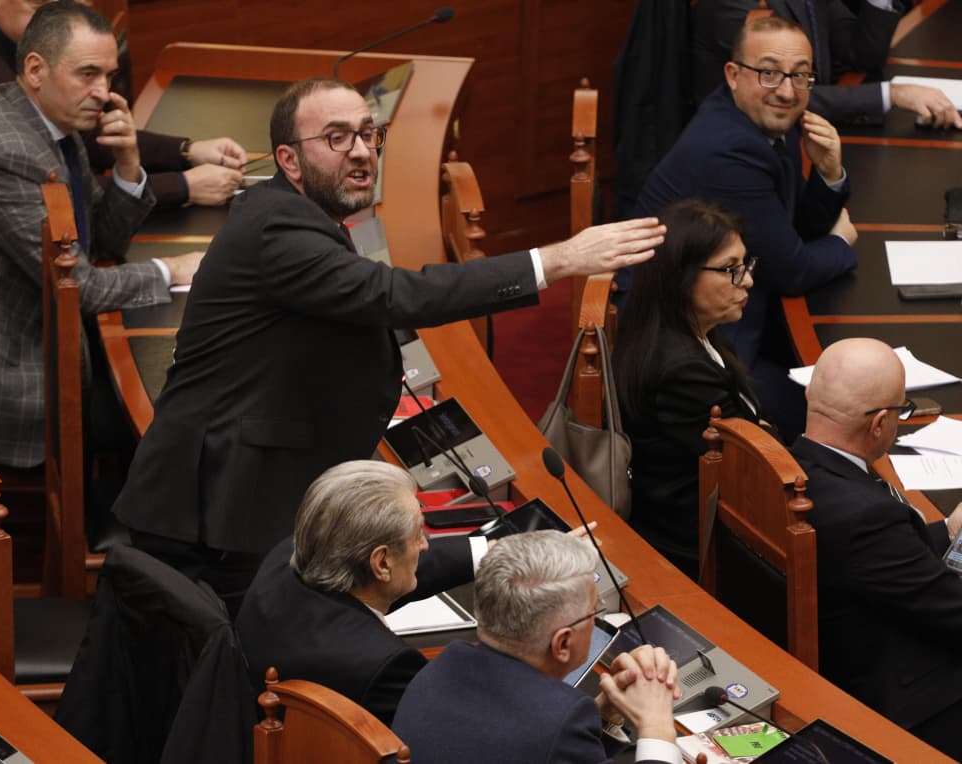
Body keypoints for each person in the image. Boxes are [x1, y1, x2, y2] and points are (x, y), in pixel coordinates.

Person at [111, 76, 666, 592]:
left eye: (367, 133)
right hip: (215, 510)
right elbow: (393, 295)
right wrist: (557, 259)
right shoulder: (278, 227)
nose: (360, 151)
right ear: (289, 159)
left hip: (238, 491)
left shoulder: (294, 213)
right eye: (336, 138)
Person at [0, 0, 201, 468]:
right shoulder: (7, 153)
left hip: (36, 332)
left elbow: (99, 241)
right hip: (1, 380)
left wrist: (128, 163)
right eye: (87, 74)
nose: (104, 93)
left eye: (109, 76)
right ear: (36, 70)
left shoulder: (49, 123)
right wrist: (170, 270)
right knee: (170, 417)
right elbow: (81, 287)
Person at [635, 14, 857, 441]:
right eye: (769, 73)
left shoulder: (759, 118)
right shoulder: (731, 151)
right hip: (691, 346)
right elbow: (792, 270)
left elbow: (791, 230)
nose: (787, 91)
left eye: (800, 76)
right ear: (733, 75)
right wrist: (840, 242)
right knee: (839, 413)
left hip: (728, 310)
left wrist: (830, 173)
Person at [791, 337, 962, 760]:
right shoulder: (867, 516)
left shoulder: (798, 467)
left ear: (812, 395)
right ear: (880, 423)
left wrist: (948, 530)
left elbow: (877, 564)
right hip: (899, 698)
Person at [0, 0, 248, 207]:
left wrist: (187, 151)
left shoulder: (15, 44)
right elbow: (63, 195)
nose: (54, 20)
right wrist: (184, 185)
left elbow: (89, 140)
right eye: (39, 6)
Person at [235, 460, 488, 726]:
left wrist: (490, 552)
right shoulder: (386, 668)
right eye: (417, 534)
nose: (425, 544)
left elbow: (395, 568)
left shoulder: (284, 562)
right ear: (382, 563)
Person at [392, 531, 681, 764]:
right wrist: (656, 725)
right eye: (594, 611)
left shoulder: (441, 667)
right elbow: (546, 736)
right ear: (563, 643)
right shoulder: (560, 722)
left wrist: (606, 714)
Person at [615, 199, 769, 579]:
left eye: (745, 265)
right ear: (681, 277)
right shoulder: (682, 369)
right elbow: (752, 464)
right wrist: (765, 431)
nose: (747, 281)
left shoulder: (689, 328)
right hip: (696, 543)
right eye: (730, 269)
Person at [692, 0, 962, 129]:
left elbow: (861, 53)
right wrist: (892, 94)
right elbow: (780, 95)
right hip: (744, 153)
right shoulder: (734, 5)